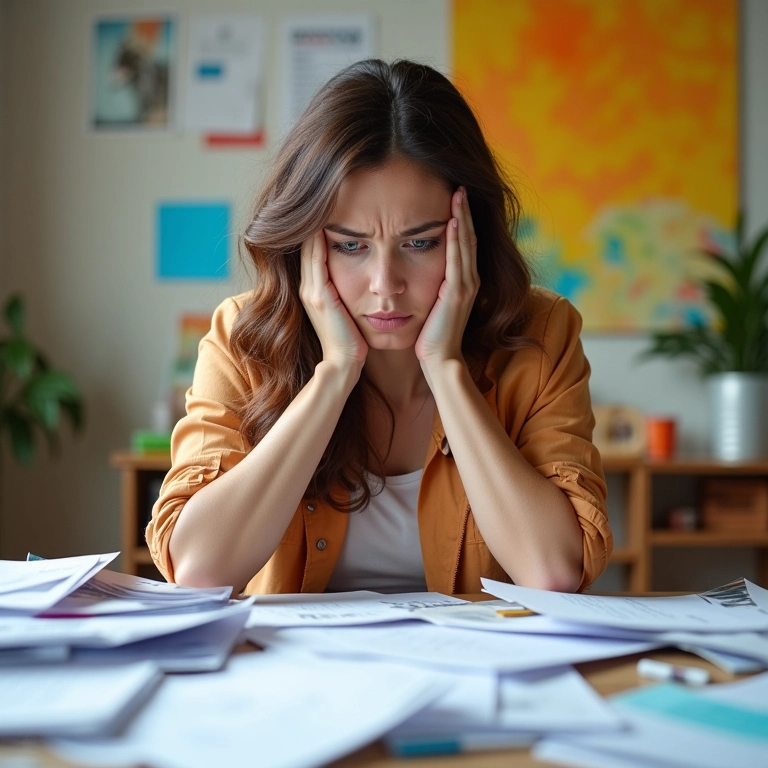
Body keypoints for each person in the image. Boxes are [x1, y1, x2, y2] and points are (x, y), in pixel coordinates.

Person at [147, 59, 612, 597]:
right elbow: (200, 569)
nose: (385, 284)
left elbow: (553, 573)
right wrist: (335, 374)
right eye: (350, 245)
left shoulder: (543, 333)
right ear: (304, 243)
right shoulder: (242, 337)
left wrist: (447, 370)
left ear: (470, 238)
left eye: (421, 242)